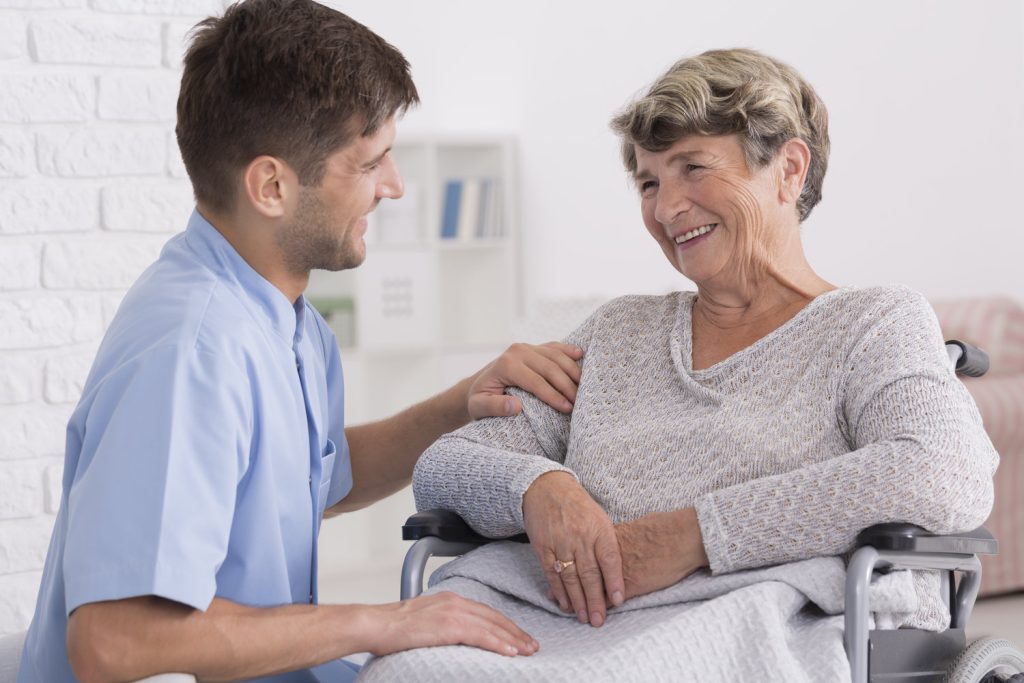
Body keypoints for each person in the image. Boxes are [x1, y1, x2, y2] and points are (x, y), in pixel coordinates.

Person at [359, 48, 999, 680]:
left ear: (789, 169)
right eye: (648, 182)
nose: (667, 210)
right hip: (554, 614)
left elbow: (942, 470)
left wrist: (698, 535)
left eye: (693, 167)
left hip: (752, 612)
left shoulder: (874, 324)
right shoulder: (619, 333)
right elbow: (446, 466)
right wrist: (536, 488)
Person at [16, 2, 587, 682]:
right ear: (272, 185)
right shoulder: (192, 351)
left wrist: (463, 402)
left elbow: (316, 474)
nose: (394, 186)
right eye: (370, 162)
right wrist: (382, 619)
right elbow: (115, 640)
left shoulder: (285, 319)